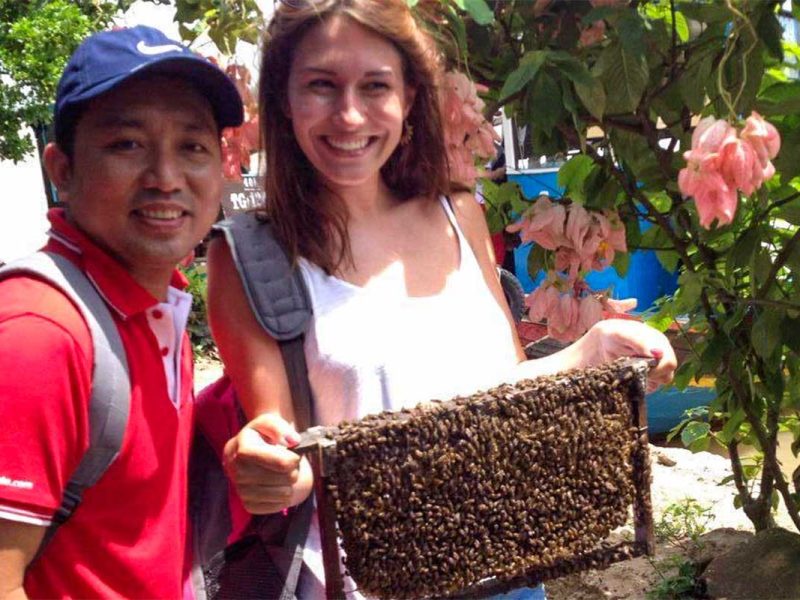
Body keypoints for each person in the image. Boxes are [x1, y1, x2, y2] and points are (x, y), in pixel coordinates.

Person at [208, 0, 677, 594]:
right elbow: (290, 454)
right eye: (321, 85)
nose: (349, 115)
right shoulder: (247, 254)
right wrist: (266, 467)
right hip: (368, 586)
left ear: (409, 97)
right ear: (281, 99)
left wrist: (594, 347)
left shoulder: (460, 212)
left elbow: (501, 387)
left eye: (375, 86)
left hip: (513, 567)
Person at [0, 25, 243, 598]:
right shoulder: (41, 335)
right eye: (127, 145)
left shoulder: (158, 303)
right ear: (61, 169)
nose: (165, 178)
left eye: (192, 147)